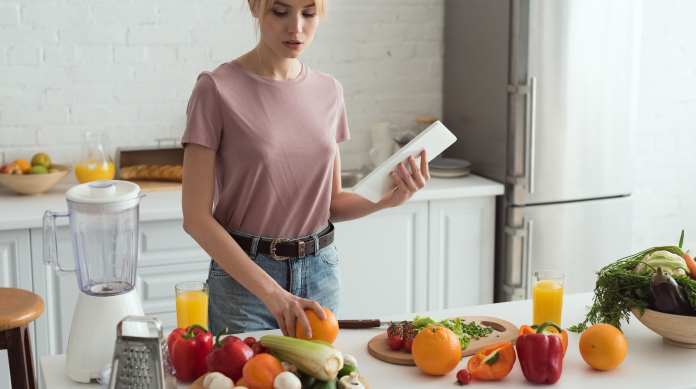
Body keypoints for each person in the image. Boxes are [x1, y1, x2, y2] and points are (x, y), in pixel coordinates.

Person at [181, 0, 430, 337]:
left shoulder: (329, 91)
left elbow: (333, 203)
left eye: (309, 13)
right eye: (281, 12)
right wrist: (273, 295)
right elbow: (196, 219)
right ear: (255, 6)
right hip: (247, 284)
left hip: (320, 273)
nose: (296, 28)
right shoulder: (216, 89)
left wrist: (388, 198)